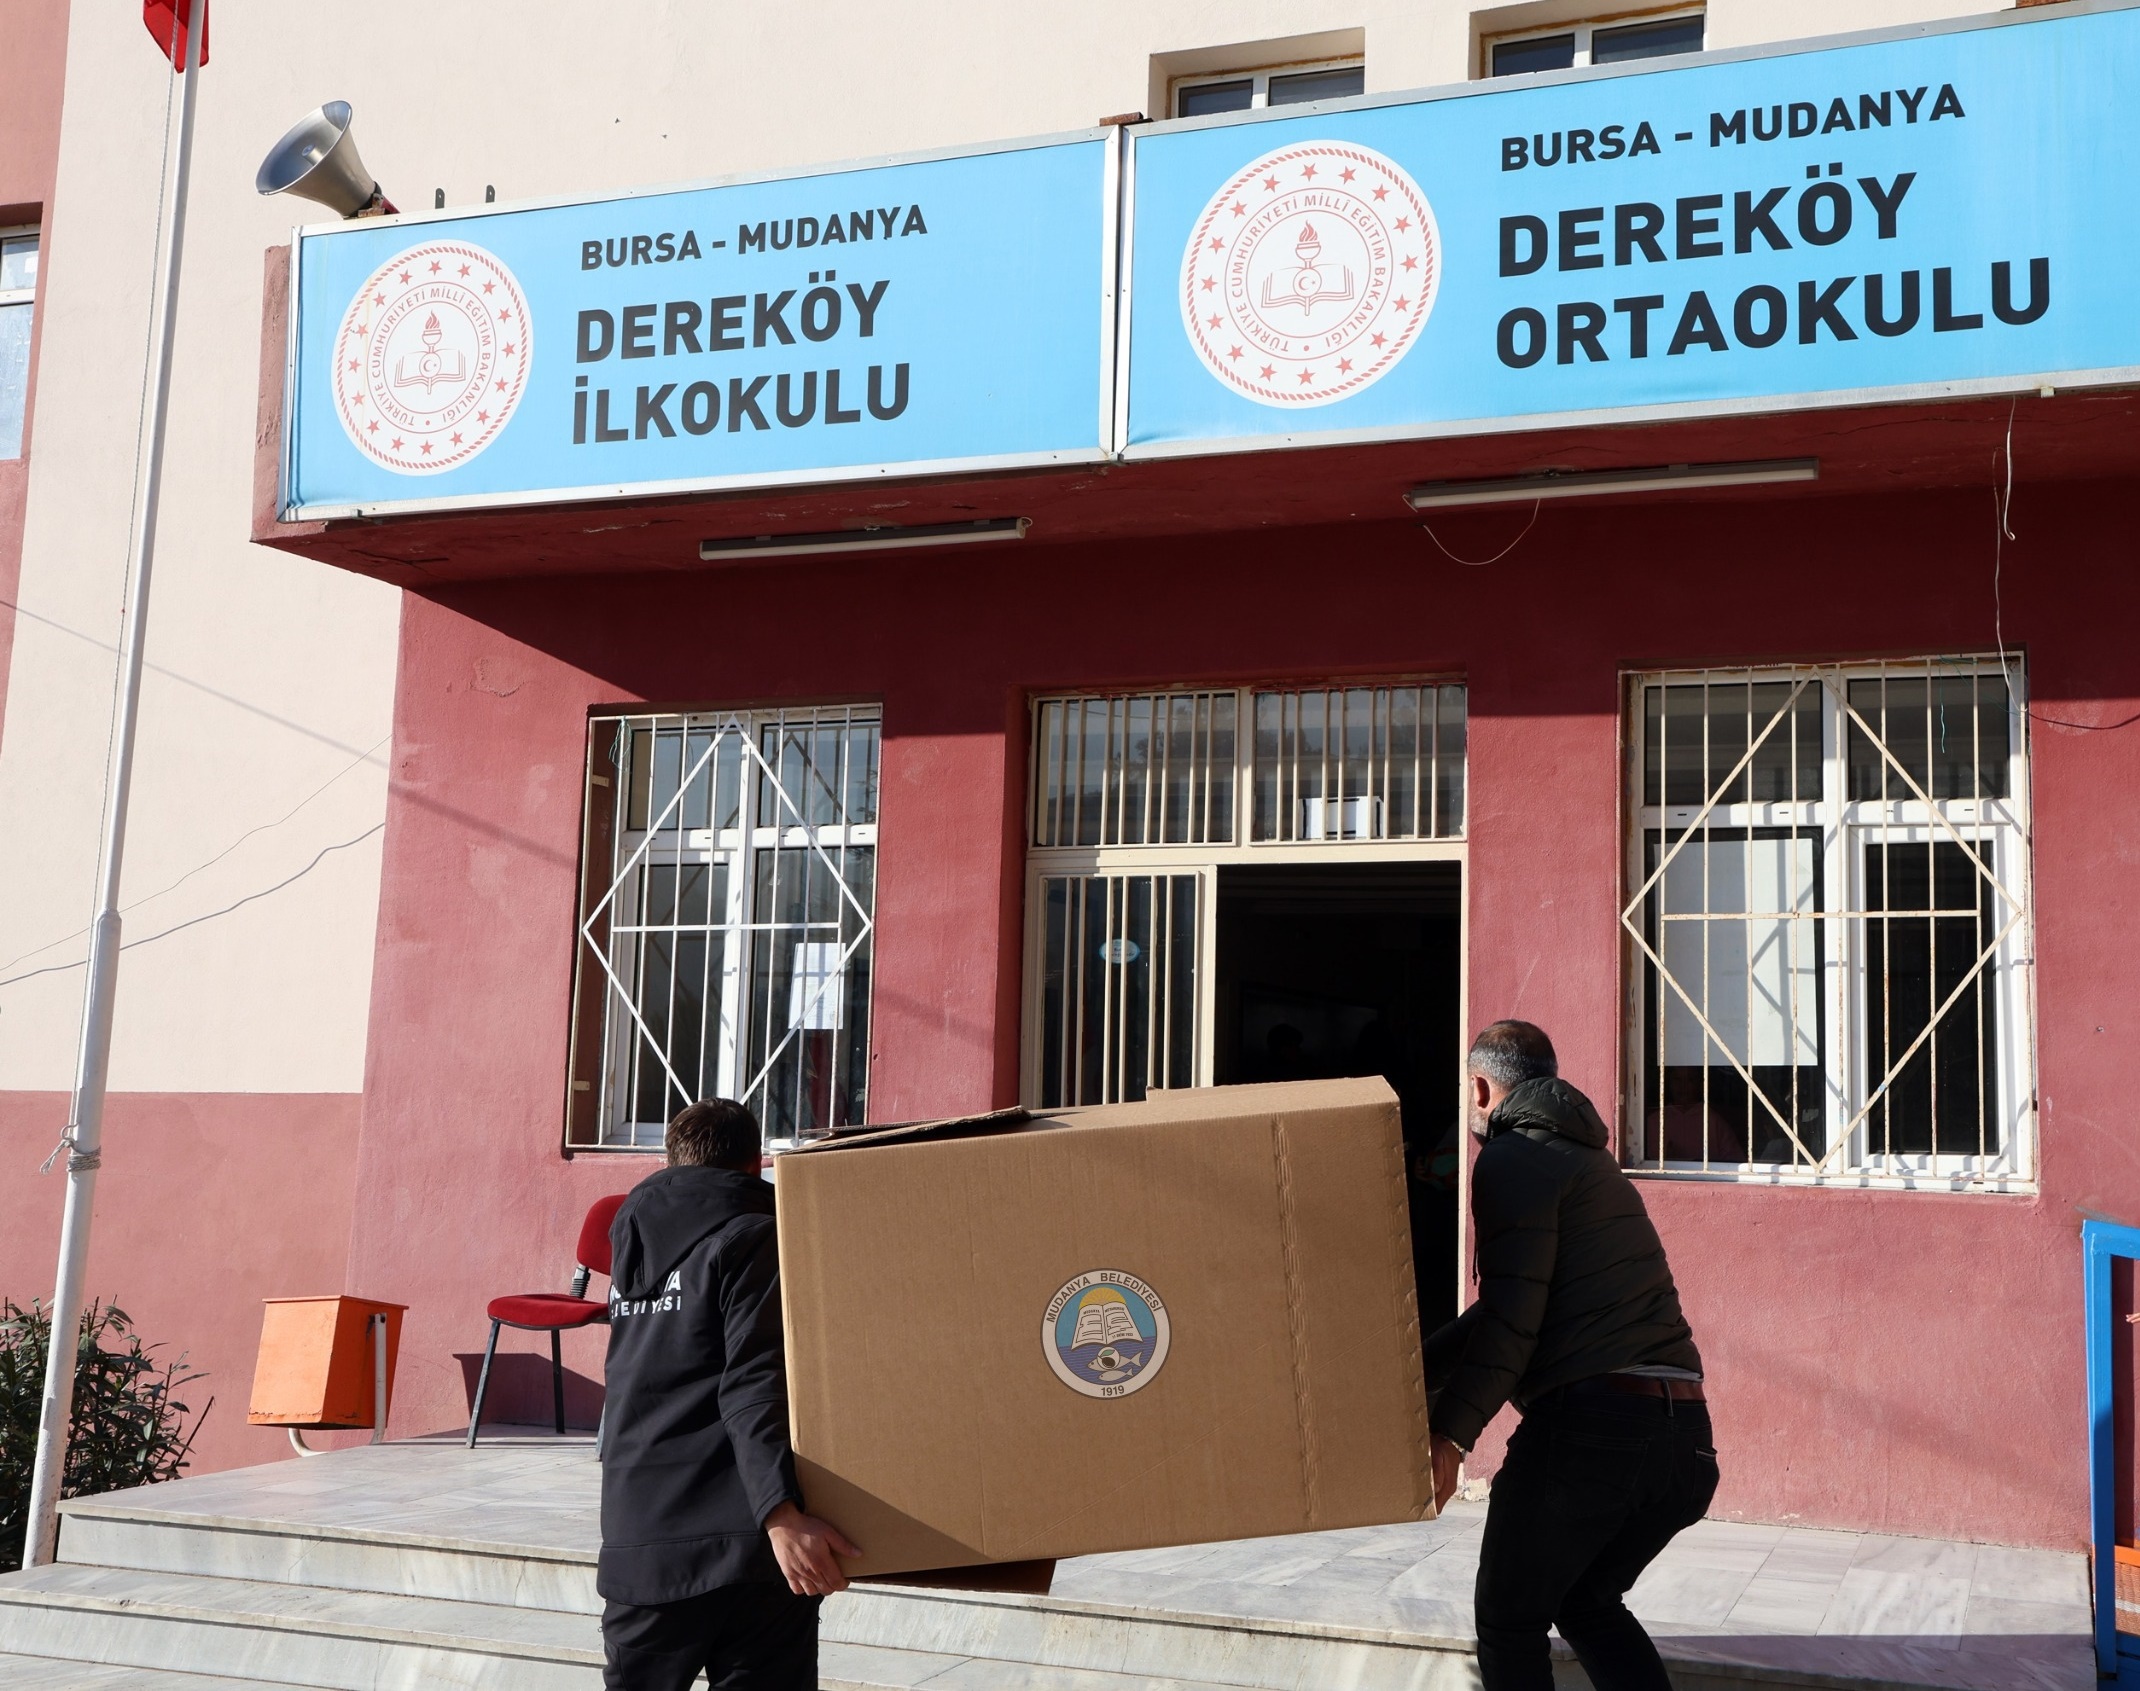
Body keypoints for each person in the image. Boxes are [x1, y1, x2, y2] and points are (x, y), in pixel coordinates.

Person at [1424, 1021, 1716, 1691]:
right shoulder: (1587, 1161)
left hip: (1594, 1431)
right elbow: (1506, 1310)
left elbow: (1510, 1324)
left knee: (1507, 1620)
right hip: (1682, 1442)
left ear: (1480, 1086)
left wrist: (1450, 1435)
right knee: (1585, 1601)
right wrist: (1413, 1372)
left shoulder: (1510, 1159)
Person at [599, 1098, 860, 1691]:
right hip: (742, 1538)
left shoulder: (634, 1241)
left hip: (639, 1533)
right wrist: (780, 1512)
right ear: (755, 1165)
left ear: (671, 1161)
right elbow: (753, 1379)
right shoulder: (754, 1238)